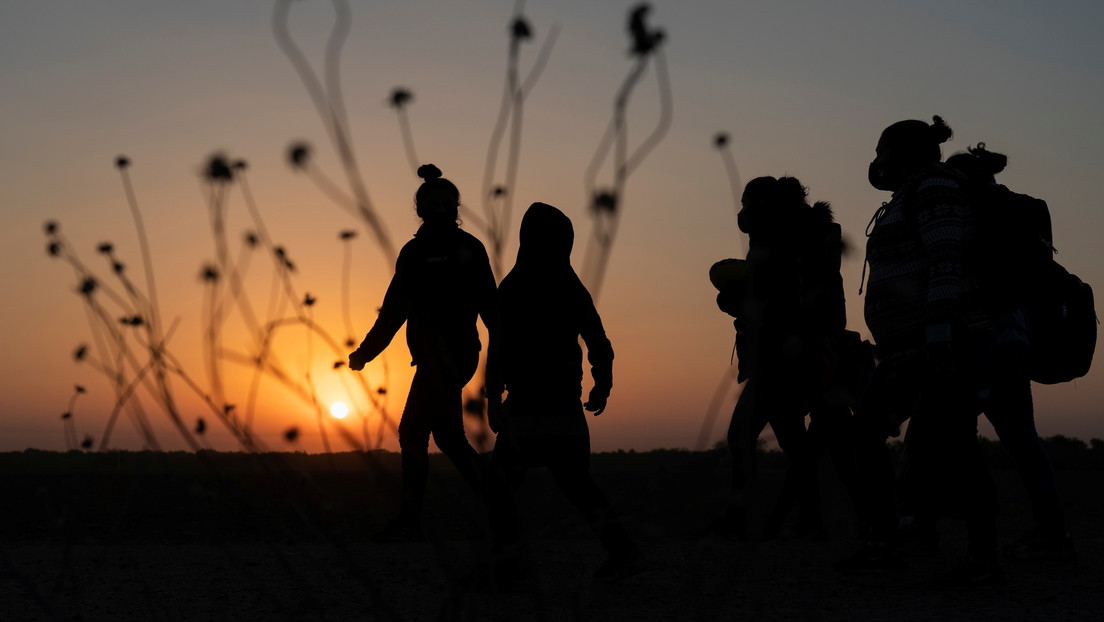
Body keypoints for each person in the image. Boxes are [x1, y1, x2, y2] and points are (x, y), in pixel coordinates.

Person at [837, 116, 1002, 588]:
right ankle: (887, 544)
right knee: (870, 435)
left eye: (881, 151)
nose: (876, 162)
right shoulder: (910, 194)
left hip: (942, 342)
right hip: (908, 348)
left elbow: (947, 259)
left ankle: (983, 560)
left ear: (902, 153)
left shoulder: (935, 187)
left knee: (953, 446)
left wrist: (940, 338)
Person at [485, 202, 637, 583]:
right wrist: (603, 382)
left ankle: (508, 566)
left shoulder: (515, 286)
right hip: (558, 404)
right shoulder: (568, 285)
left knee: (504, 487)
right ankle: (620, 548)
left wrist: (492, 398)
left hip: (533, 405)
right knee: (575, 484)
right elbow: (598, 340)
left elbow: (498, 349)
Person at [348, 164, 496, 542]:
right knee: (447, 438)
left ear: (457, 207)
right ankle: (499, 507)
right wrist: (366, 352)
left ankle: (410, 520)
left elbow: (491, 308)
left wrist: (507, 362)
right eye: (434, 203)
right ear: (421, 207)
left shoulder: (470, 249)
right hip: (430, 360)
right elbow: (394, 309)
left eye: (448, 204)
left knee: (412, 431)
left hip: (458, 356)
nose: (441, 209)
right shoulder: (412, 254)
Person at [945, 145, 1074, 560]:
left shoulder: (969, 213)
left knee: (951, 433)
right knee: (1021, 438)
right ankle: (1052, 532)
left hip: (977, 334)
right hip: (1016, 335)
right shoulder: (1024, 209)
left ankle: (961, 539)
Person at [710, 176, 856, 540]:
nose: (742, 214)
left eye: (747, 204)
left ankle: (751, 519)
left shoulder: (782, 240)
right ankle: (807, 521)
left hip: (782, 357)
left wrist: (740, 300)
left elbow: (783, 303)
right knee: (801, 443)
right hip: (791, 355)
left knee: (753, 436)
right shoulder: (797, 237)